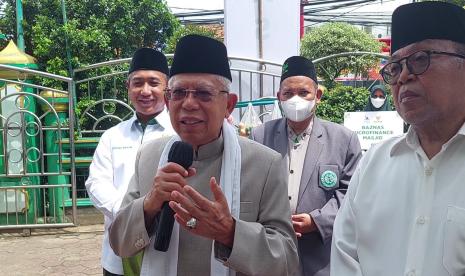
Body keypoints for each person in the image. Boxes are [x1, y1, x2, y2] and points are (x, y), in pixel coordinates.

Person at [109, 34, 299, 276]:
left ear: (229, 105)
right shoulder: (149, 157)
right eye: (178, 93)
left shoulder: (265, 164)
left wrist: (229, 232)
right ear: (168, 101)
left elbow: (288, 260)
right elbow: (119, 243)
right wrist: (150, 203)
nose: (189, 103)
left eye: (203, 93)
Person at [331, 2, 465, 276]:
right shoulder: (372, 165)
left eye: (420, 59)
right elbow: (345, 257)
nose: (403, 76)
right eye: (394, 67)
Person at [251, 56, 362, 276]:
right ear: (279, 98)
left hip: (320, 256)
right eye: (288, 94)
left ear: (317, 96)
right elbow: (251, 187)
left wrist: (317, 221)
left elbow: (351, 193)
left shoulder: (343, 139)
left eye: (303, 93)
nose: (295, 100)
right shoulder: (260, 135)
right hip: (272, 252)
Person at [85, 48, 174, 276]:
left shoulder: (180, 133)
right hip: (119, 249)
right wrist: (130, 214)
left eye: (153, 83)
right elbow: (96, 183)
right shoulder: (113, 136)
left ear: (167, 88)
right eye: (137, 83)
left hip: (168, 246)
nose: (145, 91)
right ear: (128, 87)